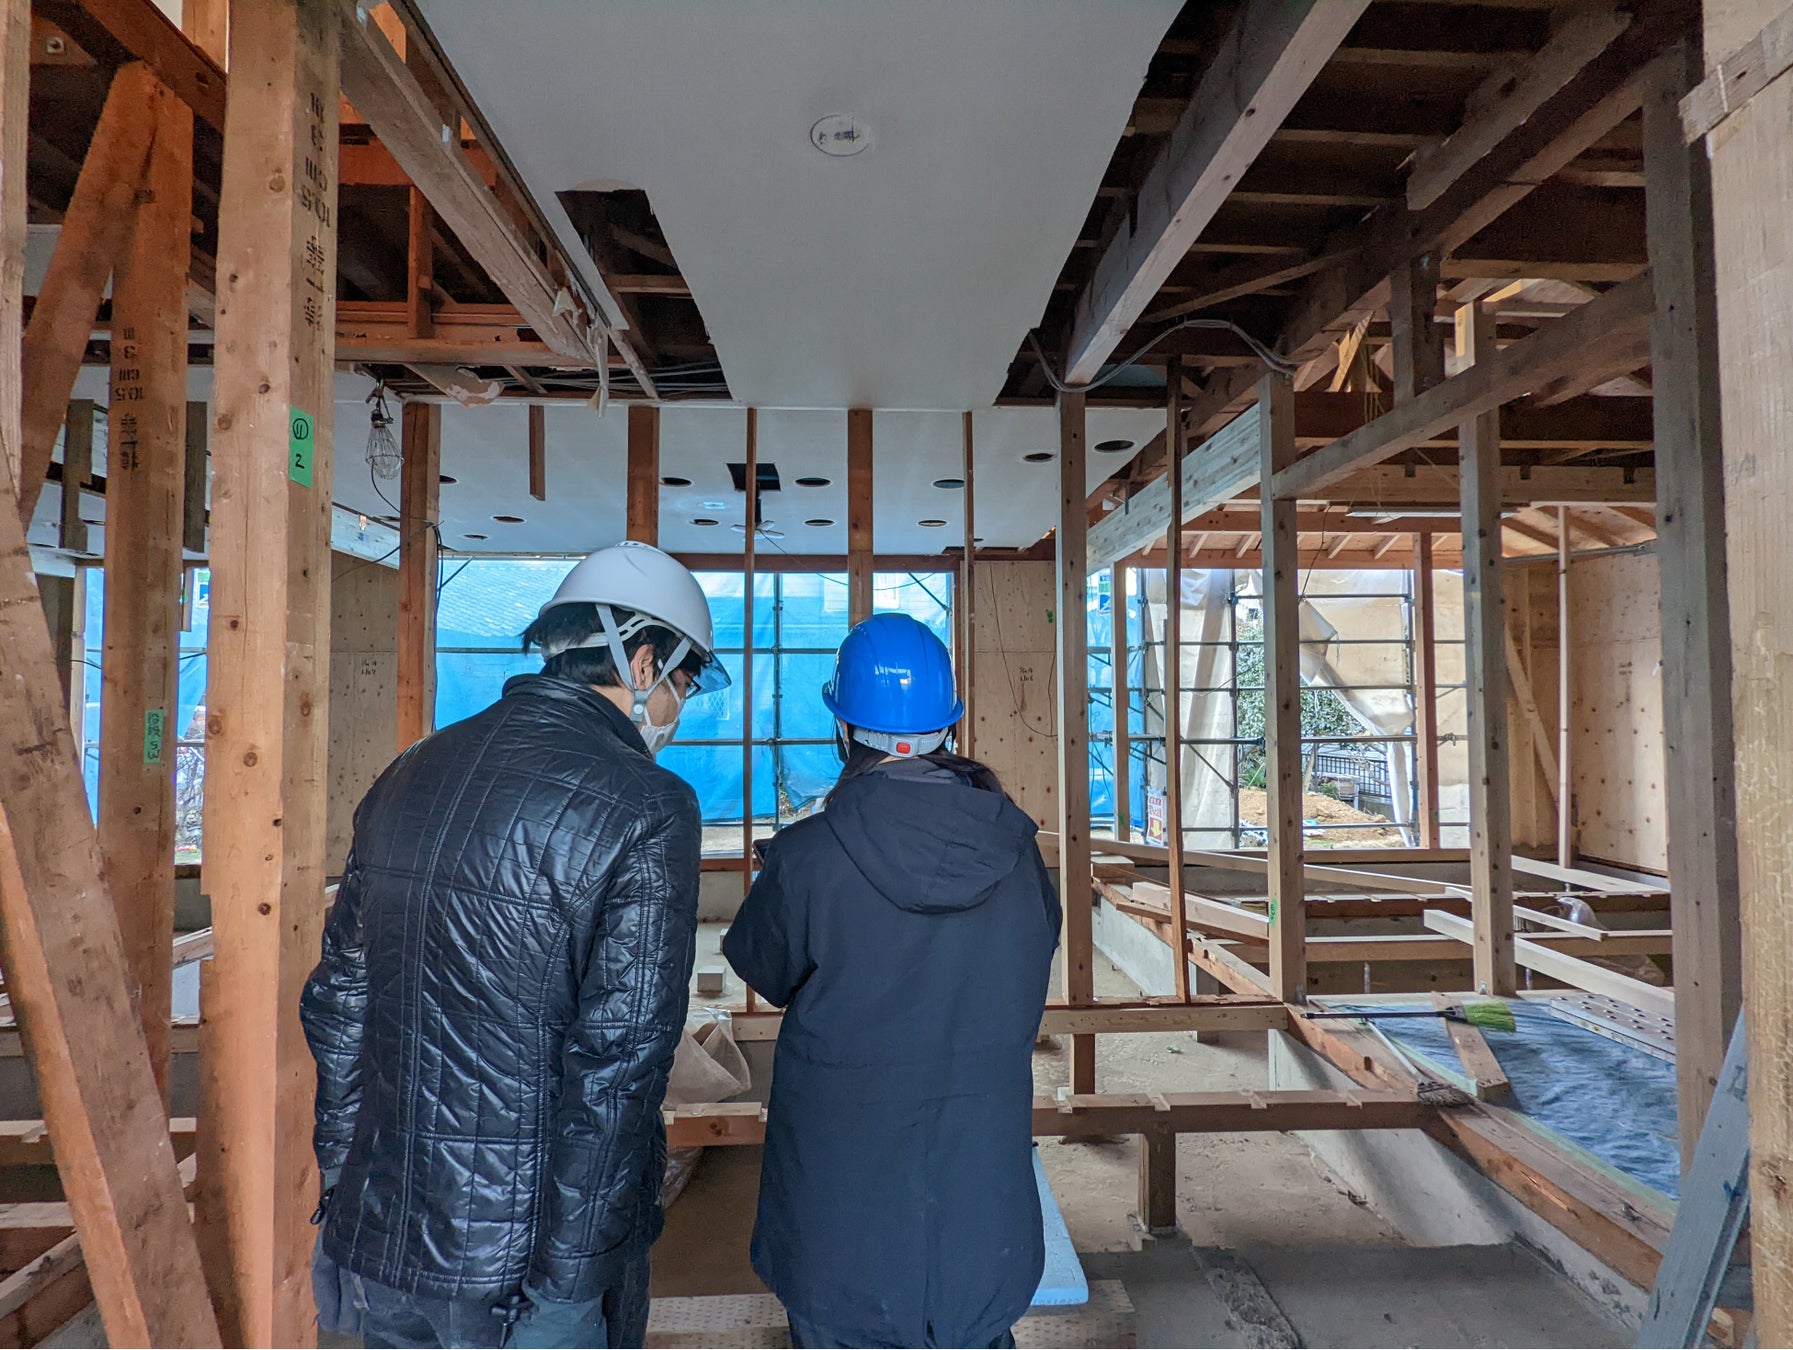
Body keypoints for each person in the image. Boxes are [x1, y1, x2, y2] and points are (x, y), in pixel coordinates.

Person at [301, 541, 726, 1349]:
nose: (678, 705)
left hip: (379, 1234)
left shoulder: (411, 770)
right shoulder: (646, 804)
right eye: (683, 681)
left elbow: (339, 1004)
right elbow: (619, 1065)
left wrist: (340, 1189)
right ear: (643, 662)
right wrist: (570, 1286)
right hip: (521, 1267)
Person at [723, 612, 1060, 1350]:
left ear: (844, 729)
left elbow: (761, 968)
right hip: (981, 1222)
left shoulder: (808, 855)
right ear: (948, 725)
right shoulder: (1016, 850)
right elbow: (1034, 956)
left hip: (841, 1221)